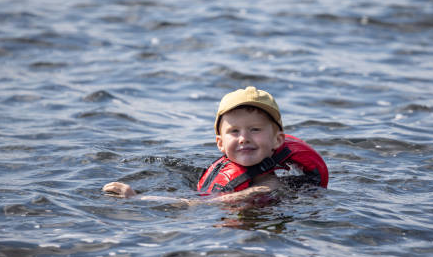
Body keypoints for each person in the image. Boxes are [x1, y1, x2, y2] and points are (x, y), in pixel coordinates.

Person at [103, 86, 327, 205]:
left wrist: (138, 198)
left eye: (255, 130)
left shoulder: (267, 185)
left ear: (277, 140)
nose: (244, 138)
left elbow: (199, 205)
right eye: (234, 131)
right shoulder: (231, 171)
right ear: (220, 143)